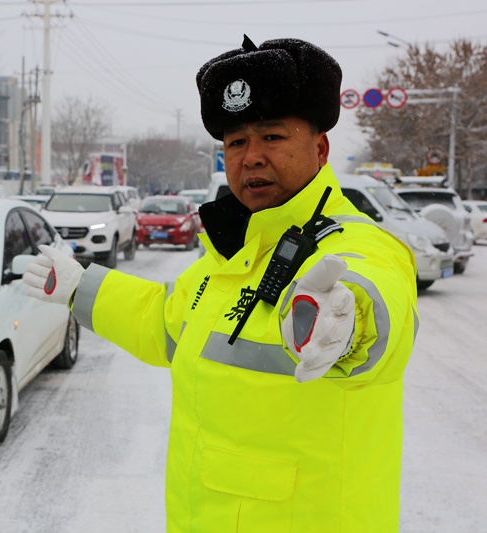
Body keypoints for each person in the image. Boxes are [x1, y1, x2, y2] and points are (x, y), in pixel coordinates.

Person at [23, 35, 418, 532]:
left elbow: (374, 299)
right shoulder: (233, 254)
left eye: (271, 137)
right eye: (236, 142)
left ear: (319, 149)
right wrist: (82, 287)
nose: (250, 157)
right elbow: (164, 325)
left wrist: (351, 322)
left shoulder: (350, 246)